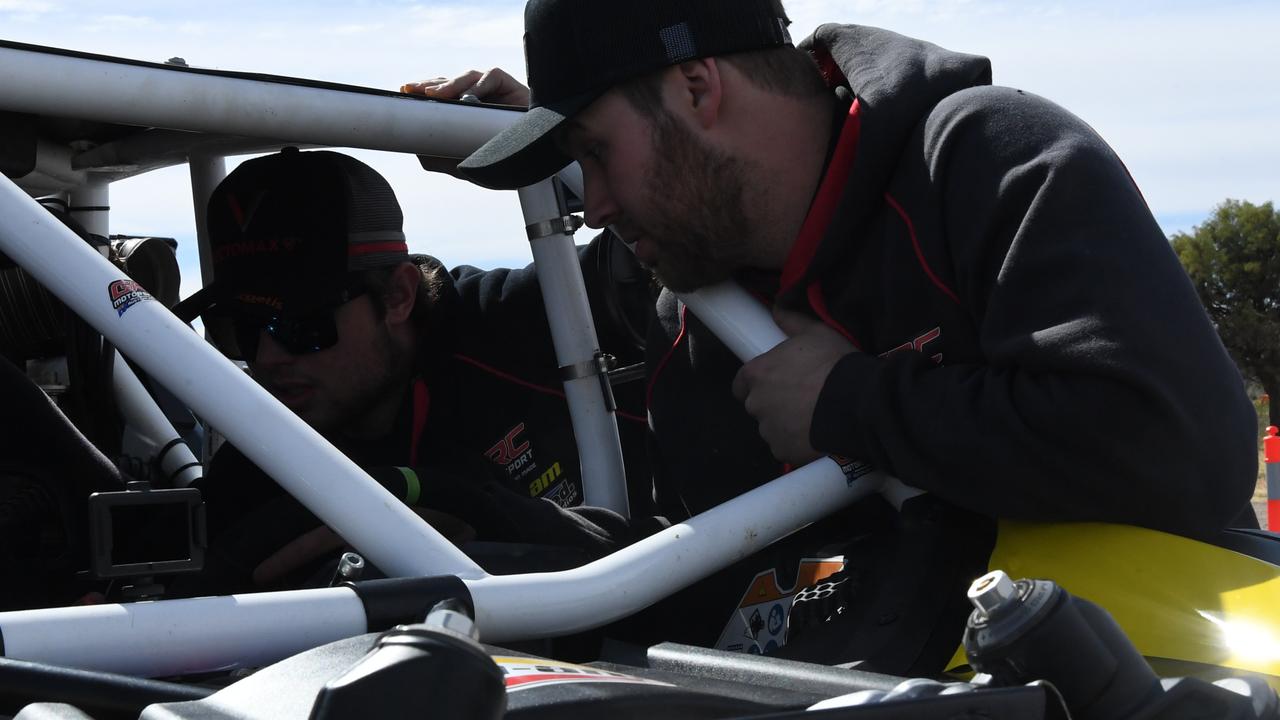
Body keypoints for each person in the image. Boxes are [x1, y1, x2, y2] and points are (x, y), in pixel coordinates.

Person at [429, 0, 1258, 671]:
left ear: (696, 87)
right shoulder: (672, 264)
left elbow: (1185, 449)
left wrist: (849, 401)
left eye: (597, 154)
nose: (594, 202)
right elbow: (451, 319)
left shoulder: (980, 159)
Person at [173, 147, 659, 592]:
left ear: (399, 295)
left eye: (301, 321)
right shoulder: (257, 463)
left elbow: (681, 246)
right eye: (242, 325)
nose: (268, 356)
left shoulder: (532, 320)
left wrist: (566, 142)